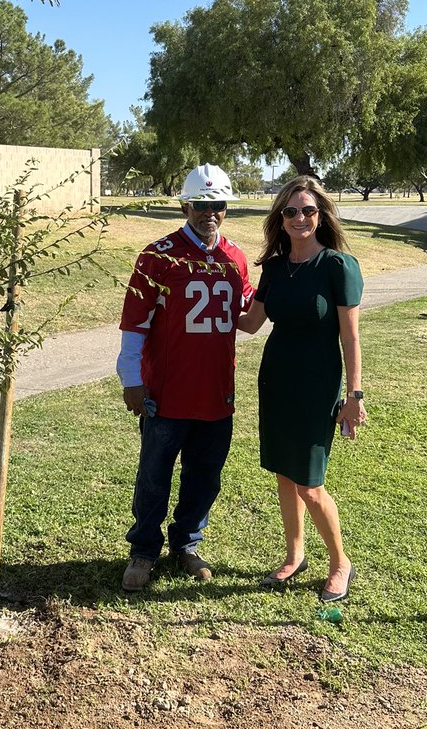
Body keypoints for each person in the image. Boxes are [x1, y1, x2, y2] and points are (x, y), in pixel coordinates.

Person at [116, 164, 253, 591]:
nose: (209, 213)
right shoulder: (158, 255)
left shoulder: (236, 258)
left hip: (216, 392)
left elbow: (248, 316)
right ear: (185, 205)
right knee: (154, 475)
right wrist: (131, 379)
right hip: (167, 392)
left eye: (218, 206)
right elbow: (135, 323)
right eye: (200, 205)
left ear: (226, 209)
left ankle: (187, 545)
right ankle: (143, 551)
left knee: (205, 477)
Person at [237, 176, 365, 604]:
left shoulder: (337, 266)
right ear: (280, 217)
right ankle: (295, 556)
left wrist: (355, 395)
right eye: (290, 211)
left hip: (317, 386)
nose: (299, 218)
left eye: (308, 210)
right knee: (284, 474)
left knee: (310, 482)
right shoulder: (274, 267)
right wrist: (209, 294)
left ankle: (340, 563)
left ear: (321, 215)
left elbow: (350, 338)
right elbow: (251, 324)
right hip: (277, 381)